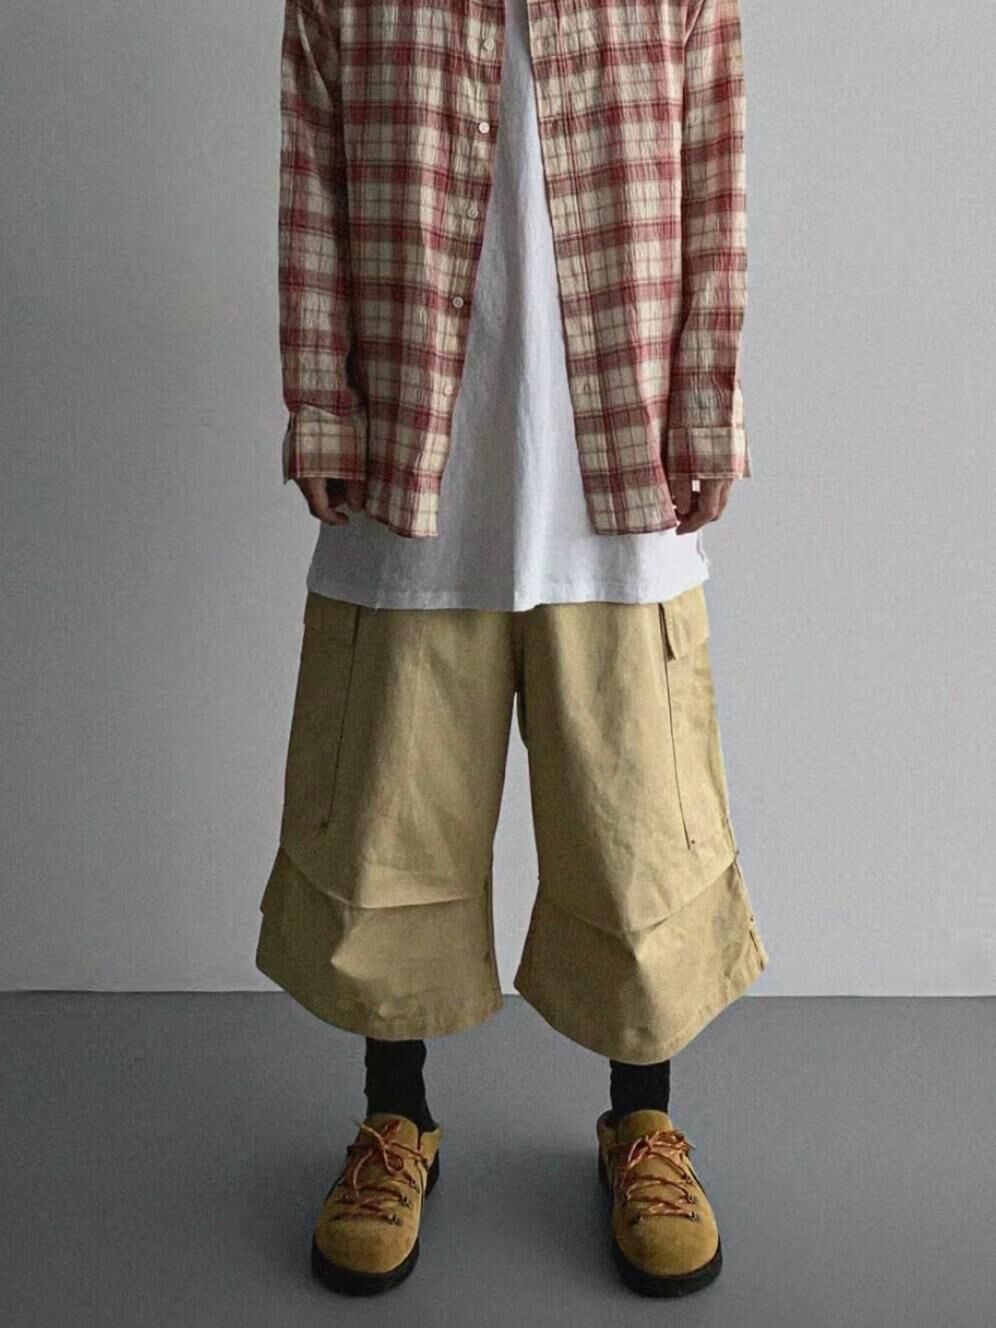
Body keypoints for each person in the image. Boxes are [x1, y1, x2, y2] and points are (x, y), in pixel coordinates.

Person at [254, 0, 768, 1300]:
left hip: (616, 460)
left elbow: (715, 179)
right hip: (414, 459)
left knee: (637, 825)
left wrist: (708, 401)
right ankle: (396, 1119)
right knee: (390, 820)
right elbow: (312, 177)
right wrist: (321, 400)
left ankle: (643, 1125)